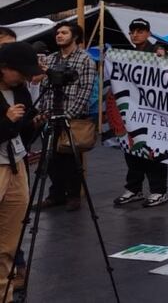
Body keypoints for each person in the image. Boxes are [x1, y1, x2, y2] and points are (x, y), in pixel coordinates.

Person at [37, 21, 96, 212]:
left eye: (64, 32)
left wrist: (70, 115)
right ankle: (56, 194)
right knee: (50, 158)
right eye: (57, 33)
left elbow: (85, 90)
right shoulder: (52, 59)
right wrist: (44, 112)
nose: (59, 35)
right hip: (50, 114)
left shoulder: (85, 59)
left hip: (72, 115)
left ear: (75, 36)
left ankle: (73, 195)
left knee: (71, 158)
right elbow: (44, 87)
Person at [113, 18, 168, 208]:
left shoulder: (157, 52)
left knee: (153, 152)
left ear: (148, 33)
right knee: (133, 151)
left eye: (140, 31)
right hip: (133, 111)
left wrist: (162, 53)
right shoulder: (128, 54)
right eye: (132, 32)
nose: (135, 34)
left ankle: (158, 191)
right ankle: (134, 188)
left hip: (154, 113)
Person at [0, 43, 41, 303]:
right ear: (4, 68)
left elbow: (23, 130)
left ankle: (5, 295)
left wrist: (33, 122)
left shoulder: (21, 91)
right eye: (21, 72)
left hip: (16, 163)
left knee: (9, 243)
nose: (25, 77)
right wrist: (7, 122)